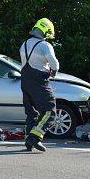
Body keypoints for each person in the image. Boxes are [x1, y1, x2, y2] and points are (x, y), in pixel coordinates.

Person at [18, 18, 59, 152]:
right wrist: (53, 72)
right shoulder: (45, 45)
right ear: (46, 31)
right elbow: (54, 64)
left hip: (25, 81)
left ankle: (28, 140)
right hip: (39, 81)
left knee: (31, 113)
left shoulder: (24, 44)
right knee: (49, 110)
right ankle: (35, 137)